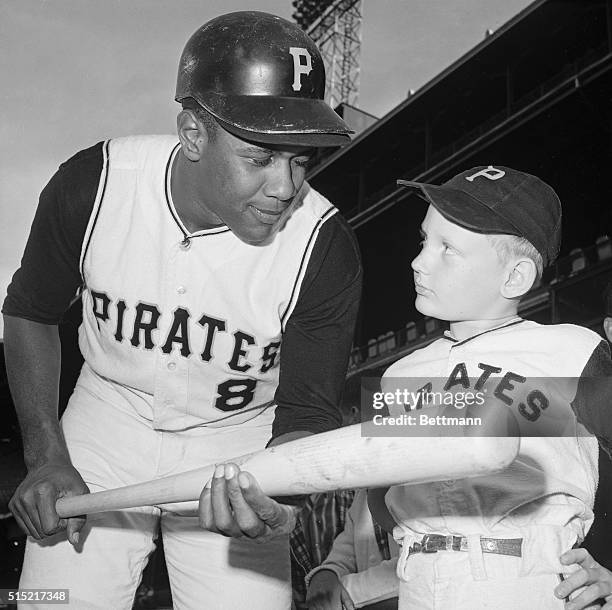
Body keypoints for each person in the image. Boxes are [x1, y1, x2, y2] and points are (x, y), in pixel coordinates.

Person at [2, 11, 361, 609]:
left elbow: (307, 409)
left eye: (302, 160)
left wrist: (279, 495)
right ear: (194, 132)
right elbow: (30, 310)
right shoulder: (97, 182)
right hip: (106, 425)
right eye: (261, 157)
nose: (285, 187)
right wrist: (45, 454)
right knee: (56, 603)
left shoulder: (323, 245)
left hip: (240, 442)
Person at [367, 165, 612, 609]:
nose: (419, 261)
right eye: (425, 241)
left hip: (530, 581)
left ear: (515, 277)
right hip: (419, 580)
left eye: (448, 249)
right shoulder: (398, 374)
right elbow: (379, 493)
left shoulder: (572, 351)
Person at [305, 489, 400, 610]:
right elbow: (346, 552)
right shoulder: (362, 496)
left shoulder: (419, 486)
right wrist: (327, 573)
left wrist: (342, 592)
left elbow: (418, 565)